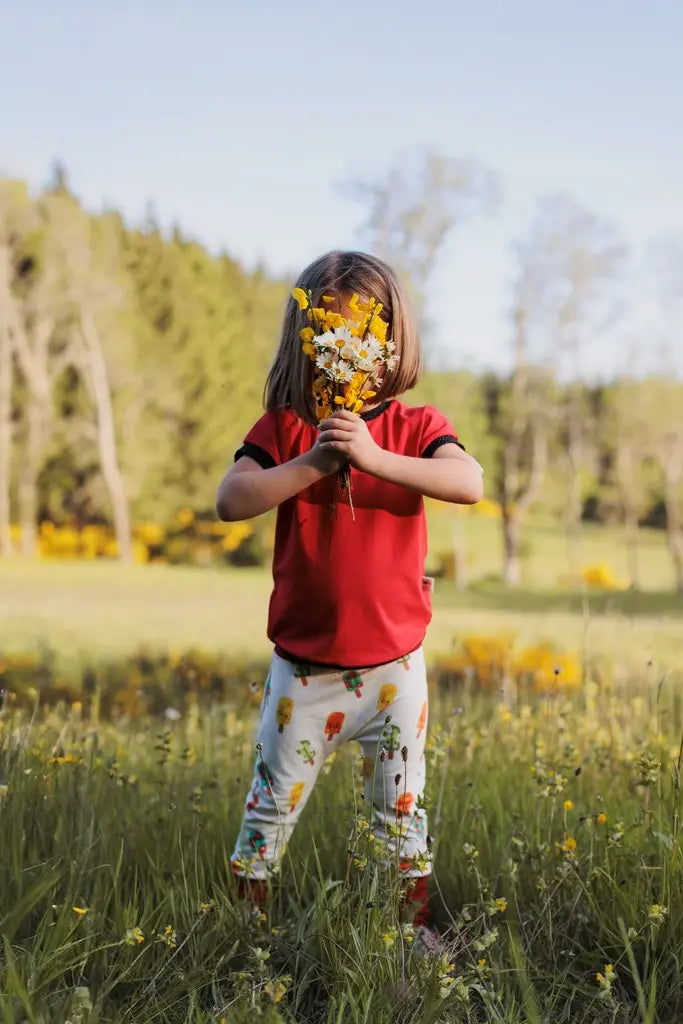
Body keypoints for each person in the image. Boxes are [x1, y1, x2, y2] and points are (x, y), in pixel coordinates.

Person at [216, 250, 483, 928]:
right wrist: (316, 460)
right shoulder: (285, 428)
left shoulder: (416, 427)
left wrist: (373, 457)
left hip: (395, 671)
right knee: (270, 808)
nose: (349, 351)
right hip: (304, 671)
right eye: (330, 334)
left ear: (393, 344)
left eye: (366, 335)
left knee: (400, 813)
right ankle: (244, 933)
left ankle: (408, 935)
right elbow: (232, 499)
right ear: (305, 343)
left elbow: (468, 482)